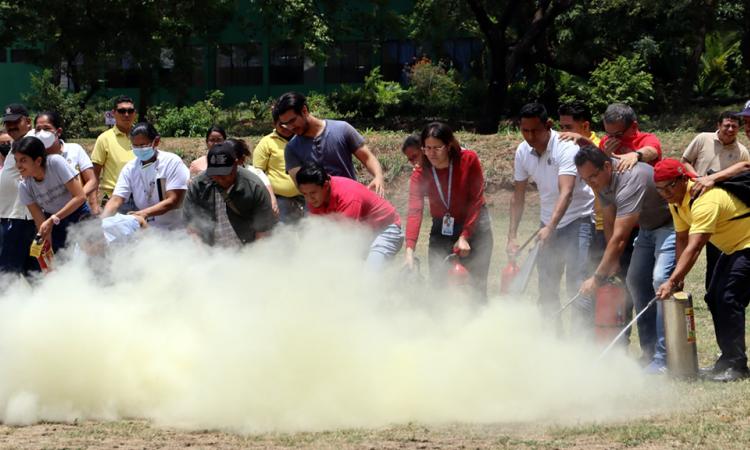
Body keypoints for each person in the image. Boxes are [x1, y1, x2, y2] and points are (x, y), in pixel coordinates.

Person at [575, 145, 675, 373]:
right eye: (585, 179)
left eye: (592, 176)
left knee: (660, 279)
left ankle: (664, 357)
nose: (590, 182)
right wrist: (612, 264)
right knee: (635, 281)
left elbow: (620, 238)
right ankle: (649, 353)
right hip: (648, 229)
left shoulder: (630, 179)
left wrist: (597, 277)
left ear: (607, 166)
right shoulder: (601, 181)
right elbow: (609, 222)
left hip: (670, 224)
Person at [653, 158, 750, 382]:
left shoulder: (706, 200)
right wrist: (677, 278)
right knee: (713, 297)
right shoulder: (675, 202)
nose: (665, 193)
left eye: (669, 186)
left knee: (728, 298)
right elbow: (681, 239)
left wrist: (673, 278)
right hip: (733, 248)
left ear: (683, 179)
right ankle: (727, 360)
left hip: (747, 245)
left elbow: (695, 247)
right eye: (659, 189)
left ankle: (737, 366)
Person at [508, 103, 594, 329]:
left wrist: (551, 226)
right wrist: (512, 236)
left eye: (534, 130)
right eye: (524, 130)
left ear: (548, 125)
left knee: (577, 285)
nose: (529, 136)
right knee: (546, 287)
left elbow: (566, 192)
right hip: (547, 224)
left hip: (578, 221)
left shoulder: (567, 148)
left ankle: (580, 345)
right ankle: (552, 342)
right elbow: (518, 197)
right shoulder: (522, 152)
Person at [404, 122, 493, 299]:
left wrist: (465, 236)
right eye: (427, 148)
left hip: (475, 224)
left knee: (475, 287)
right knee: (439, 285)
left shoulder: (468, 159)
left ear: (449, 145)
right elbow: (415, 210)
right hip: (443, 226)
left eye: (437, 148)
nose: (431, 153)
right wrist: (409, 250)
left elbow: (476, 200)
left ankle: (480, 322)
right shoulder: (420, 173)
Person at [680, 111, 749, 305]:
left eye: (734, 126)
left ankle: (714, 295)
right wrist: (698, 179)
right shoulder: (702, 139)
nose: (730, 129)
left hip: (720, 209)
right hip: (693, 200)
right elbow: (684, 162)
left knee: (716, 255)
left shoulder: (742, 152)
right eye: (726, 125)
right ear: (718, 125)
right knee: (687, 244)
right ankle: (680, 281)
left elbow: (742, 177)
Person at [297, 161, 403, 270]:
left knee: (370, 277)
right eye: (304, 194)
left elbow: (346, 242)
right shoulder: (315, 198)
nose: (309, 199)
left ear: (326, 185)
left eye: (313, 193)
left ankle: (408, 275)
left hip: (386, 230)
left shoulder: (348, 197)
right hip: (364, 233)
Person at [275, 92, 386, 196]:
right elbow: (301, 186)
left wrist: (378, 176)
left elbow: (367, 157)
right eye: (286, 124)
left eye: (292, 121)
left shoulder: (342, 129)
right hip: (319, 212)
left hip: (350, 201)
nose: (290, 127)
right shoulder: (292, 148)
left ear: (304, 111)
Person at [184, 142, 276, 246]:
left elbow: (263, 232)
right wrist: (203, 255)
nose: (220, 178)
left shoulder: (254, 187)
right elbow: (192, 228)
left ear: (236, 164)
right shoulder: (197, 185)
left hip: (246, 250)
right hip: (211, 251)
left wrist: (254, 259)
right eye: (215, 173)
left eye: (225, 173)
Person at [101, 122, 189, 229]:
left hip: (174, 228)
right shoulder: (130, 168)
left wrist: (143, 213)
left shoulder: (172, 162)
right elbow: (116, 199)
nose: (139, 149)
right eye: (135, 146)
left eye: (143, 145)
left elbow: (173, 201)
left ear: (156, 142)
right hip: (146, 229)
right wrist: (101, 222)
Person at [15, 136, 89, 252]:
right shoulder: (23, 186)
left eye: (23, 160)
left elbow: (80, 197)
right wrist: (48, 255)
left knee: (95, 255)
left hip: (79, 213)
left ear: (38, 161)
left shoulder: (55, 163)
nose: (18, 166)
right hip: (54, 223)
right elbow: (41, 223)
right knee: (61, 261)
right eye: (16, 160)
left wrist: (53, 219)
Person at [34, 111, 100, 215]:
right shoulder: (35, 158)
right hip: (50, 215)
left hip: (78, 211)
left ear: (58, 131)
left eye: (47, 128)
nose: (42, 133)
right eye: (38, 129)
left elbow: (92, 181)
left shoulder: (75, 149)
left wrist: (76, 200)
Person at [0, 103, 39, 274]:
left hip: (19, 217)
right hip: (11, 215)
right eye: (7, 123)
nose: (11, 126)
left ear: (28, 122)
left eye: (16, 121)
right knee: (28, 272)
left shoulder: (31, 142)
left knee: (8, 272)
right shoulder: (18, 143)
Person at [253, 109, 305, 223]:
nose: (286, 127)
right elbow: (258, 172)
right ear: (274, 124)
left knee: (310, 231)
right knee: (282, 234)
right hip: (279, 200)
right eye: (281, 124)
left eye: (289, 123)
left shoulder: (304, 139)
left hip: (307, 198)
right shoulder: (266, 142)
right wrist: (271, 198)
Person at [91, 95, 137, 203]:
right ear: (113, 113)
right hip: (113, 198)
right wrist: (93, 203)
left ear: (135, 113)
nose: (126, 114)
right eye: (122, 111)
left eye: (130, 111)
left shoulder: (142, 136)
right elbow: (94, 174)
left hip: (140, 198)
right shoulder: (104, 139)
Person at [598, 103, 662, 171]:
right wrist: (605, 158)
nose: (612, 138)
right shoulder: (605, 143)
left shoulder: (647, 139)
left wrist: (636, 155)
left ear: (634, 126)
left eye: (618, 134)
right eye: (608, 134)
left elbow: (652, 151)